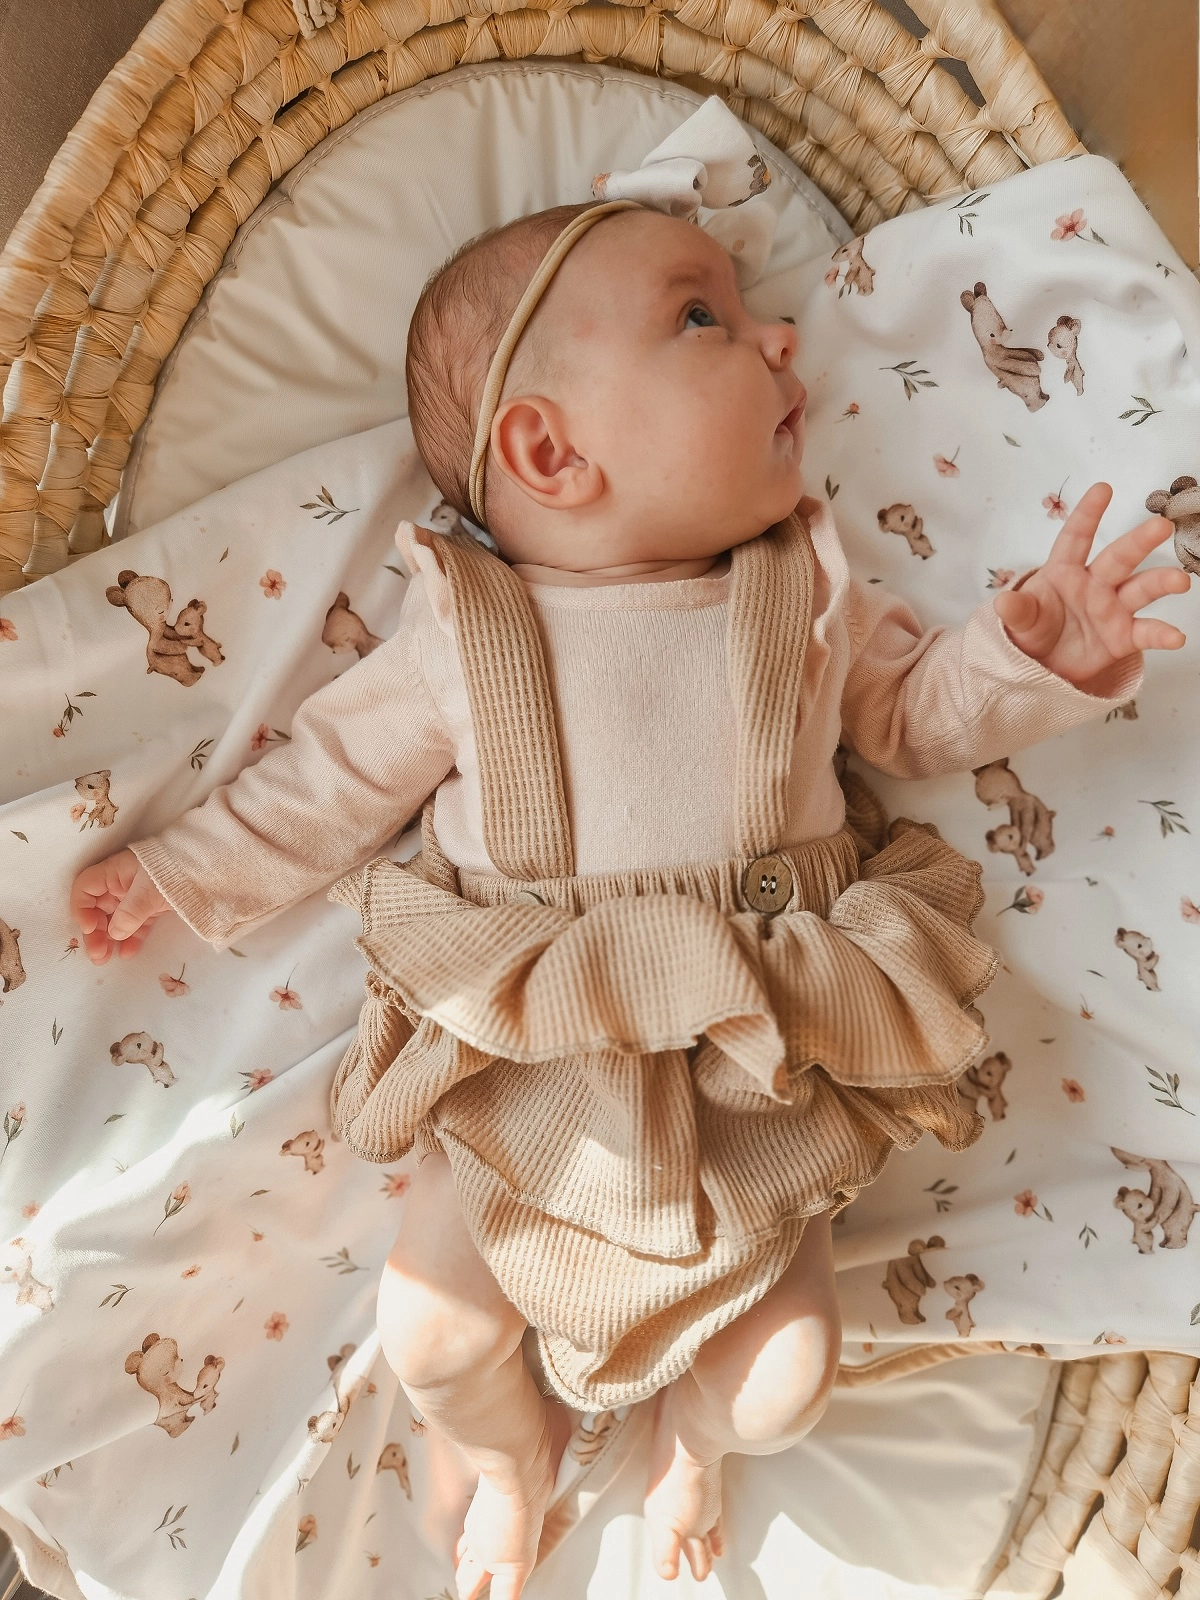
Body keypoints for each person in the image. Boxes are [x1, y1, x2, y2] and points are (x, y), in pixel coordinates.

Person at [70, 126, 1188, 1600]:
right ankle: (510, 1463)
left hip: (757, 1054)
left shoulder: (803, 586)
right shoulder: (467, 629)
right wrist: (183, 871)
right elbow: (331, 779)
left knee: (784, 1380)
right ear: (550, 451)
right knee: (436, 1341)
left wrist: (1030, 655)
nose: (780, 337)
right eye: (703, 316)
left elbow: (909, 723)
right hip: (528, 1062)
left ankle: (694, 1446)